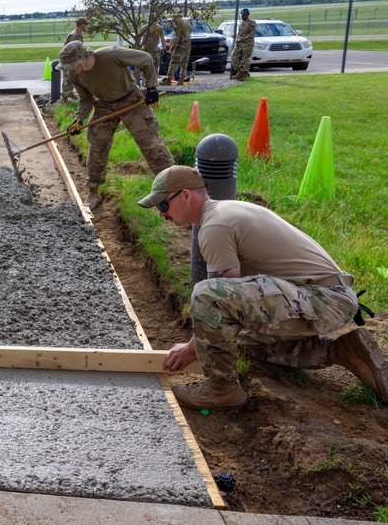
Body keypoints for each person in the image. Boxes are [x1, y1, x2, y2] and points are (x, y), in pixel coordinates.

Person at [139, 166, 387, 410]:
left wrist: (191, 349)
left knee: (207, 295)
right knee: (231, 341)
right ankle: (342, 351)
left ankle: (222, 389)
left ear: (185, 195)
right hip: (324, 296)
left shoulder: (215, 227)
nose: (161, 214)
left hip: (325, 300)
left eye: (163, 205)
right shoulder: (225, 210)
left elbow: (218, 300)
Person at [57, 40, 173, 210]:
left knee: (150, 144)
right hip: (104, 105)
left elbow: (146, 59)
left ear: (82, 59)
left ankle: (172, 187)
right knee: (97, 145)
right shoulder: (74, 74)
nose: (69, 70)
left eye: (72, 65)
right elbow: (85, 99)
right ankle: (93, 191)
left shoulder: (111, 55)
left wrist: (151, 88)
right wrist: (79, 119)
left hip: (130, 100)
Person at [60, 17, 88, 103]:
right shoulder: (75, 35)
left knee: (70, 78)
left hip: (73, 61)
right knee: (67, 79)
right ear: (81, 24)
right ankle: (65, 98)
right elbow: (72, 50)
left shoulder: (78, 34)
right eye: (85, 24)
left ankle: (69, 94)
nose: (86, 26)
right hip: (69, 61)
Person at [164, 14, 191, 85]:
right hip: (187, 48)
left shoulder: (179, 28)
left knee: (173, 63)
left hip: (179, 49)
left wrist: (172, 49)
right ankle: (181, 80)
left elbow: (176, 39)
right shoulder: (187, 26)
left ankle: (169, 80)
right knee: (184, 65)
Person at [231, 8, 256, 81]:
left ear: (248, 15)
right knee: (233, 56)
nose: (242, 16)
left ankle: (245, 74)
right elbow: (239, 33)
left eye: (244, 15)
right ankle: (239, 71)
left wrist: (245, 38)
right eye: (241, 15)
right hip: (239, 43)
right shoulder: (241, 23)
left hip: (247, 44)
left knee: (245, 59)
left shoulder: (251, 22)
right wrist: (237, 40)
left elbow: (252, 33)